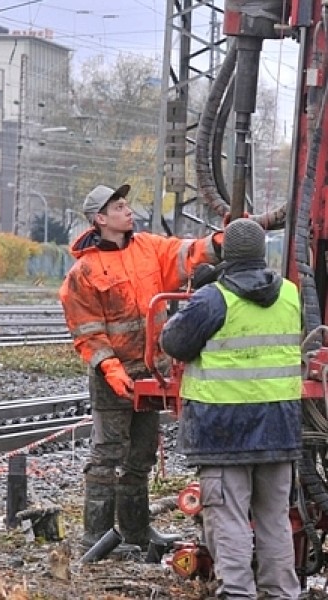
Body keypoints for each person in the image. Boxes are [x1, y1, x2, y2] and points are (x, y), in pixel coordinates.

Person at [58, 183, 222, 551]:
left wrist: (222, 242)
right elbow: (87, 331)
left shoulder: (148, 247)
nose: (127, 210)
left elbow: (187, 253)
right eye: (118, 207)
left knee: (141, 456)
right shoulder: (83, 273)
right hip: (112, 377)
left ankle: (135, 533)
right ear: (100, 219)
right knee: (107, 457)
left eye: (126, 205)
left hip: (151, 374)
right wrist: (111, 369)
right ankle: (95, 538)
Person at [160, 218, 301, 599]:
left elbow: (174, 342)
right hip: (280, 428)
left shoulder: (213, 298)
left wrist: (203, 289)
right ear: (262, 253)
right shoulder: (290, 294)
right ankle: (281, 593)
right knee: (275, 520)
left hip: (223, 430)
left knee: (229, 520)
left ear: (227, 256)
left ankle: (237, 593)